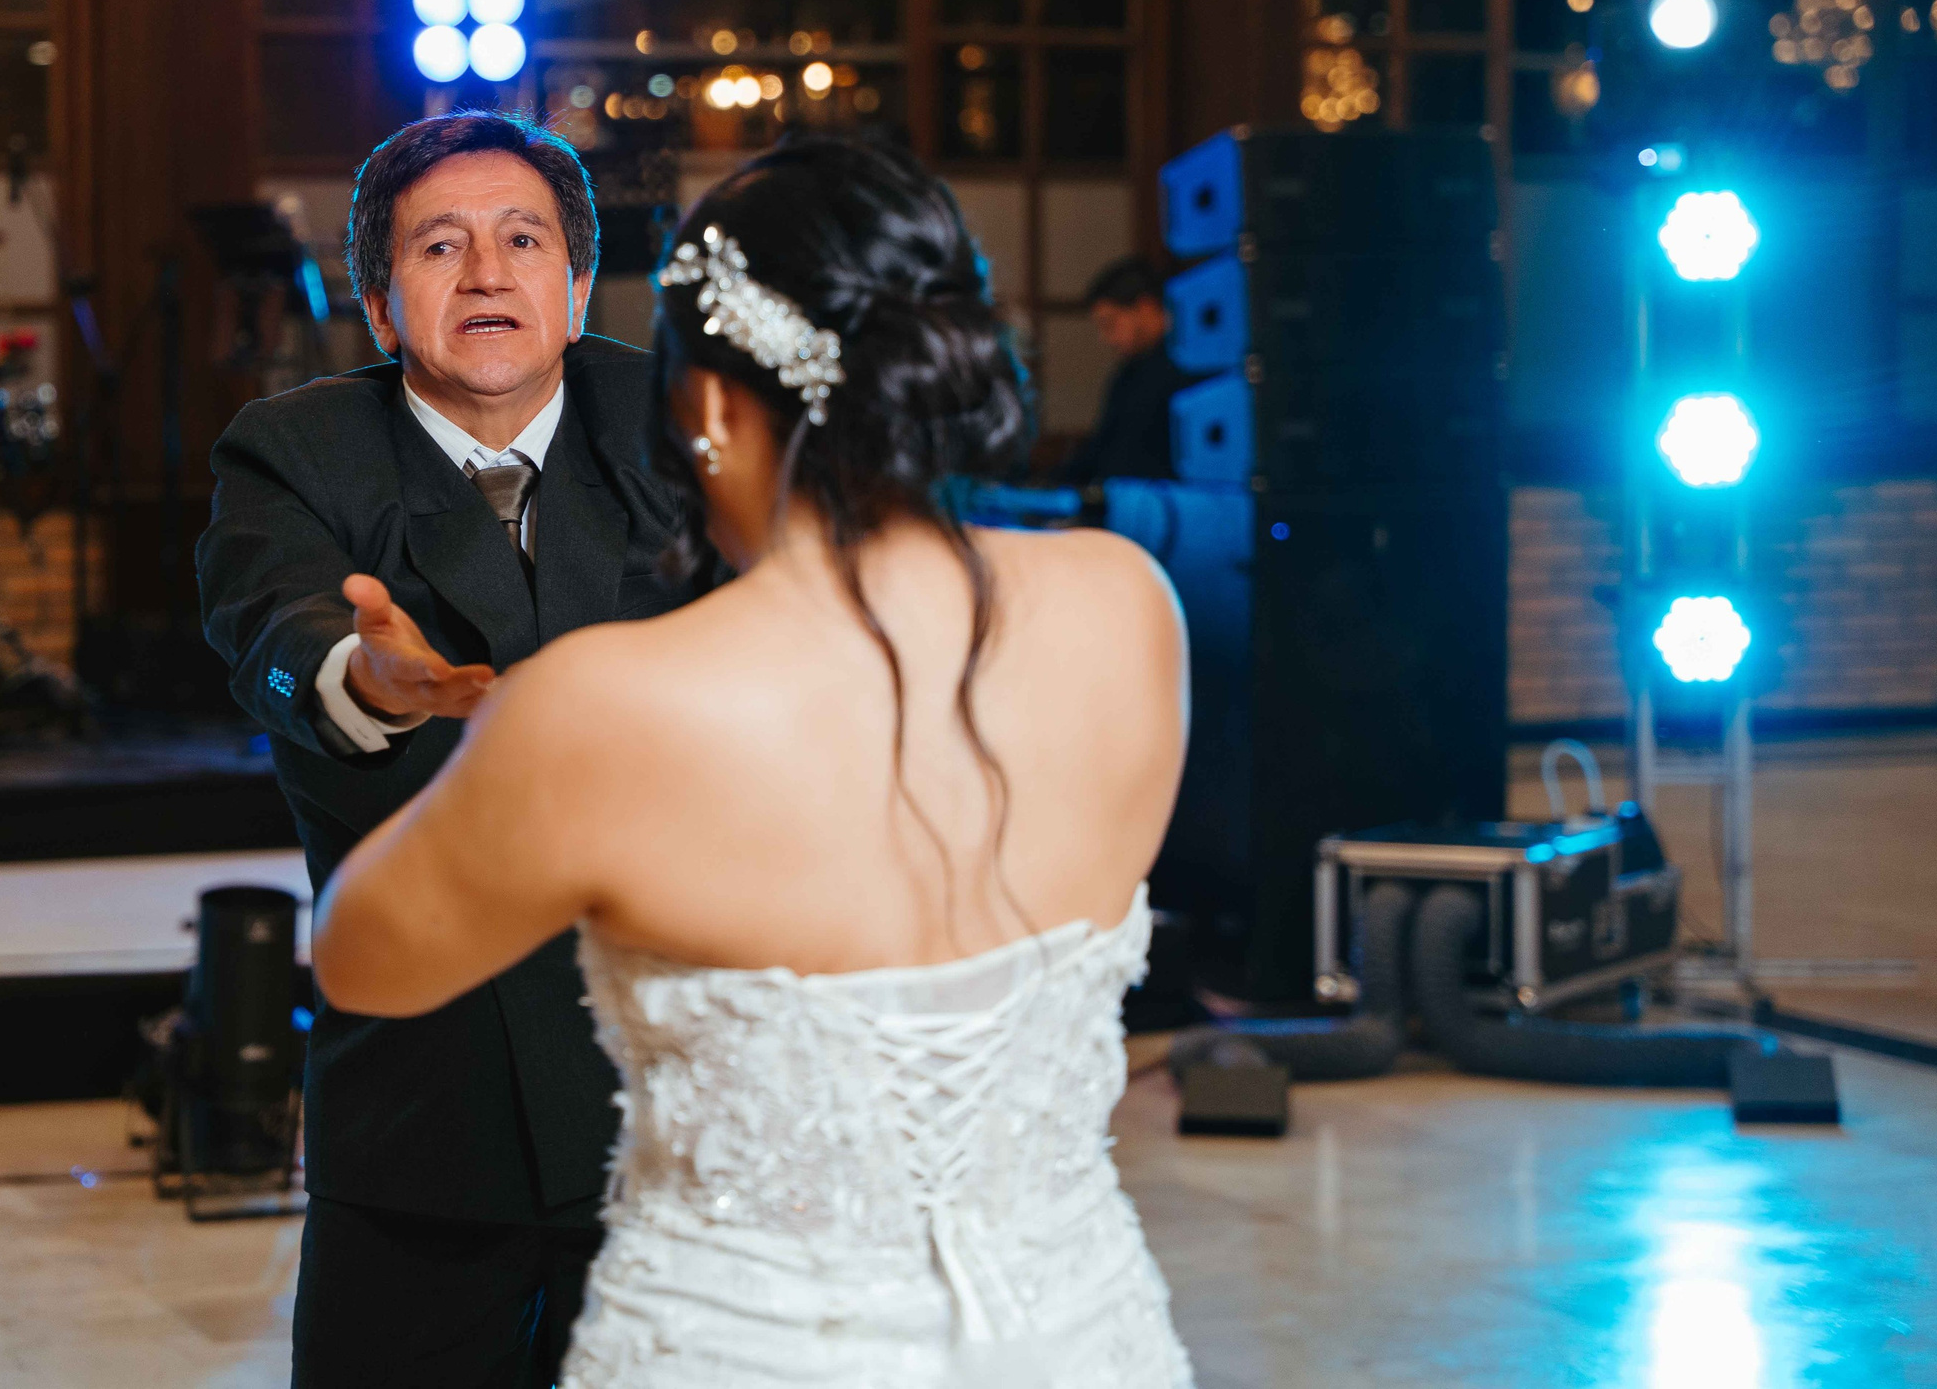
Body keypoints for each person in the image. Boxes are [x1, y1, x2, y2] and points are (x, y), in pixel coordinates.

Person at [310, 136, 1196, 1387]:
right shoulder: (1129, 606)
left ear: (716, 410)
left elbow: (362, 960)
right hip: (1075, 1335)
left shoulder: (602, 708)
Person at [196, 111, 688, 1387]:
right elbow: (276, 625)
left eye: (523, 240)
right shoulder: (293, 449)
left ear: (576, 288)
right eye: (439, 246)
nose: (486, 274)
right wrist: (368, 675)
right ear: (376, 302)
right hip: (430, 1104)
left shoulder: (674, 421)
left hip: (671, 1091)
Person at [1059, 257, 1191, 484]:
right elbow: (1101, 448)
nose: (1105, 339)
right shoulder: (1127, 373)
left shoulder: (1190, 367)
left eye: (1109, 324)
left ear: (1146, 308)